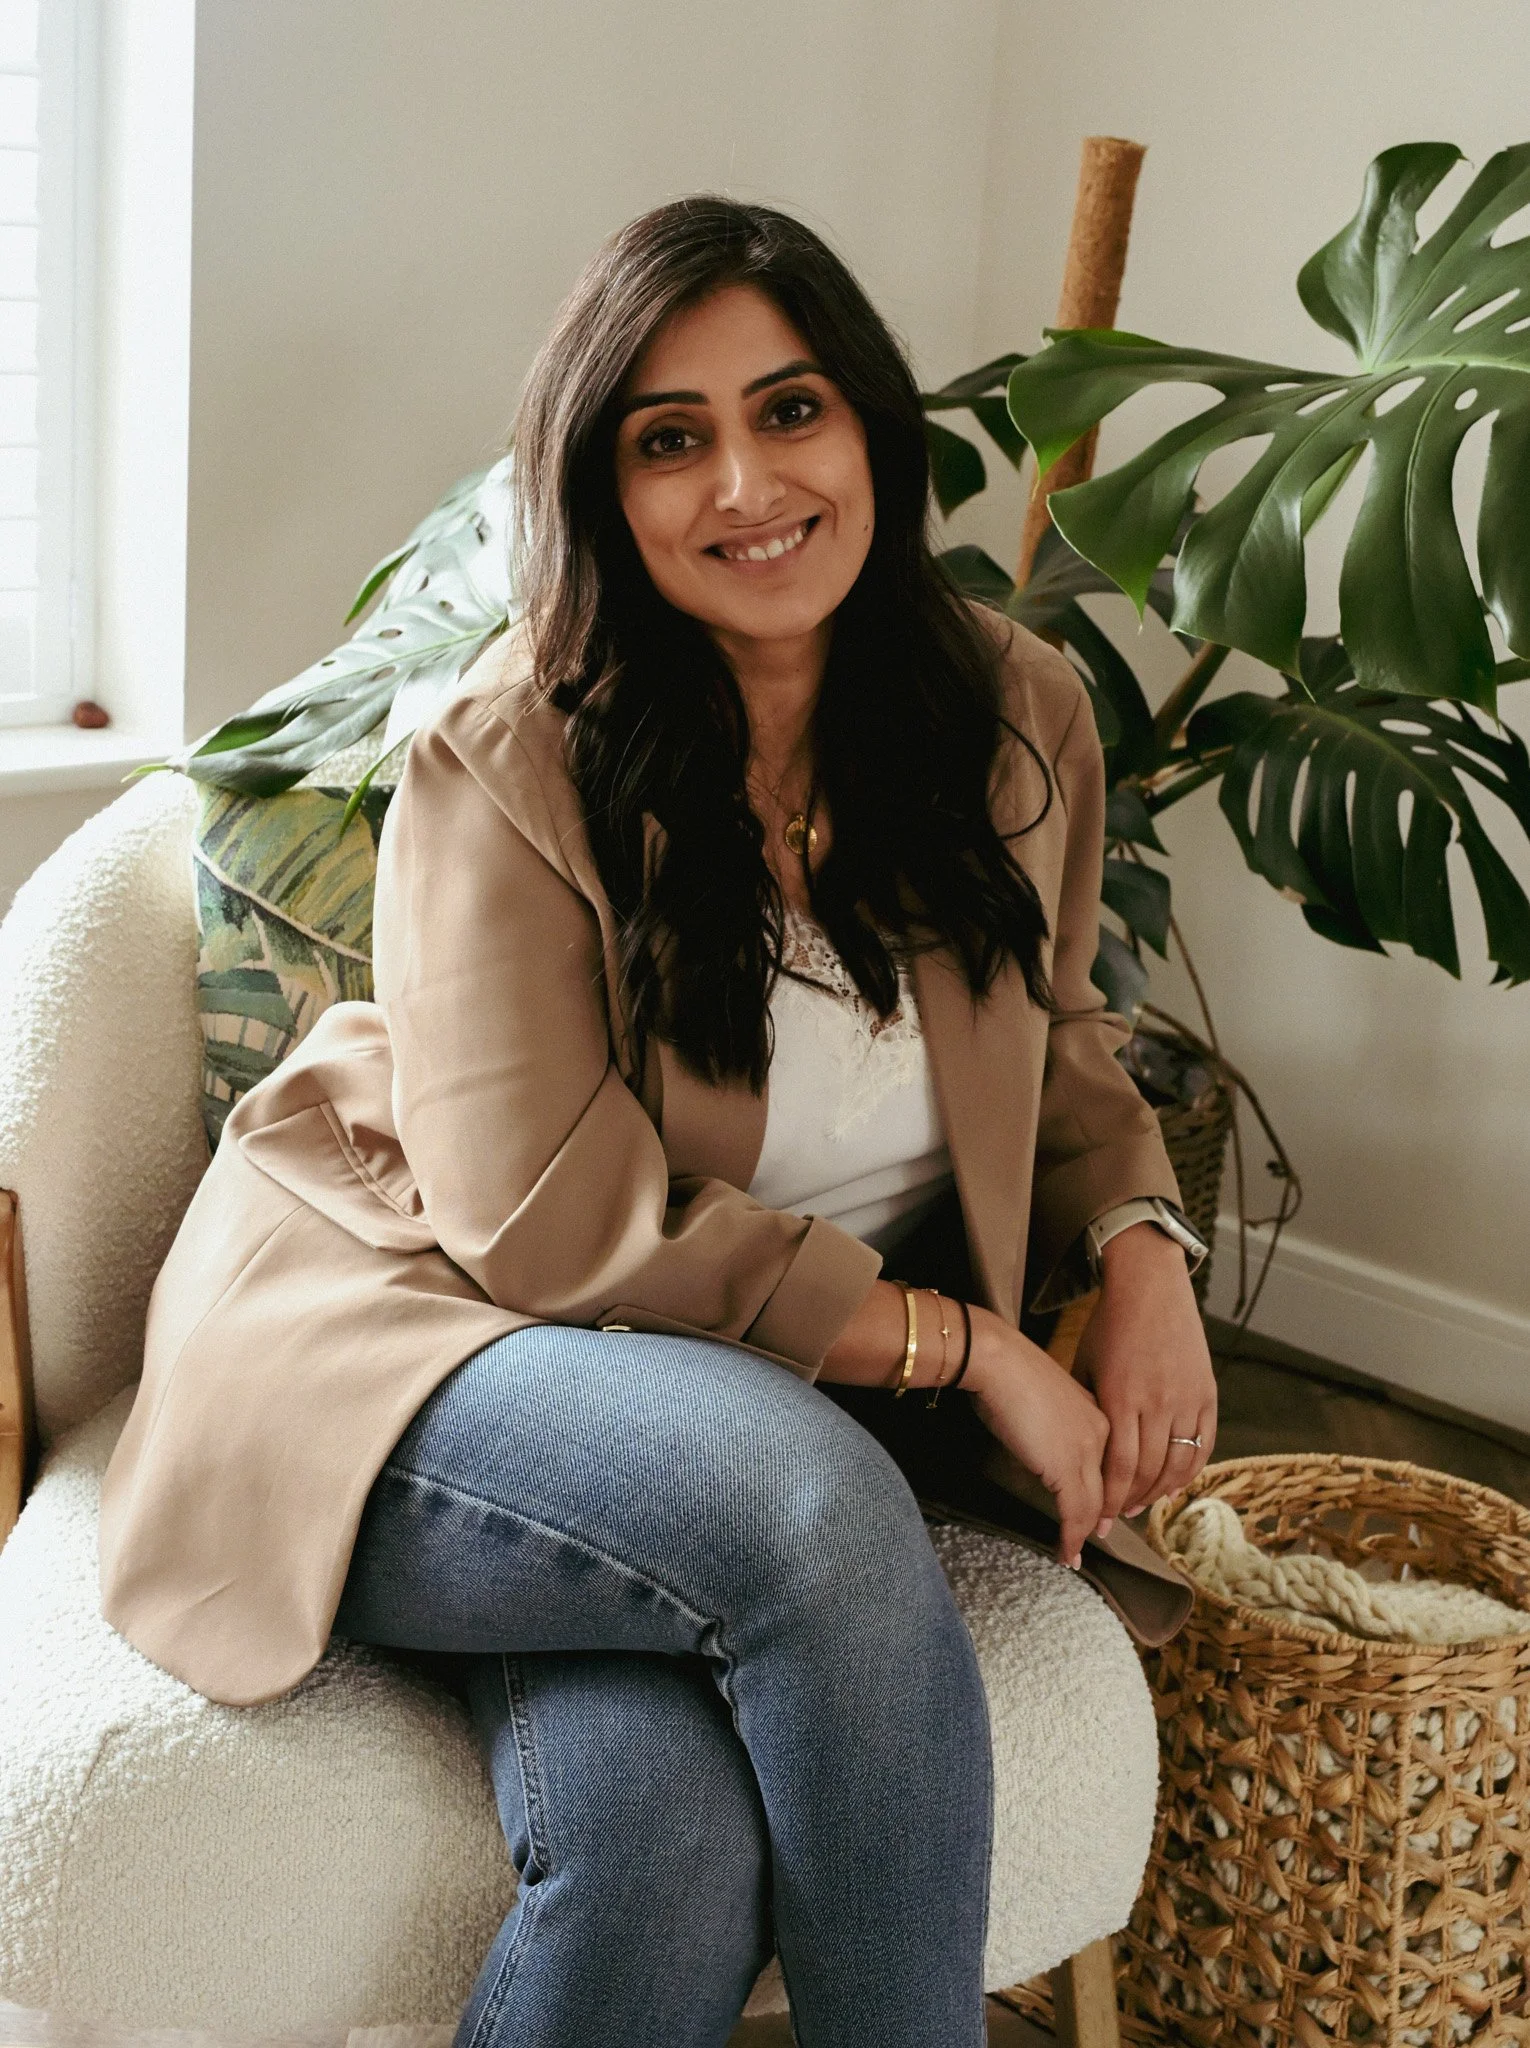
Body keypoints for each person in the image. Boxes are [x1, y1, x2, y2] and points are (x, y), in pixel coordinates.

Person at [98, 196, 1217, 2048]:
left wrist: (1141, 1249)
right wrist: (966, 1354)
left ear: (870, 427)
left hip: (702, 1404)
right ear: (603, 492)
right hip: (426, 1338)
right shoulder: (506, 751)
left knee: (662, 1844)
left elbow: (1062, 1032)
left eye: (790, 412)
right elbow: (545, 1226)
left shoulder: (1015, 715)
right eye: (668, 438)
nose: (745, 483)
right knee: (809, 1503)